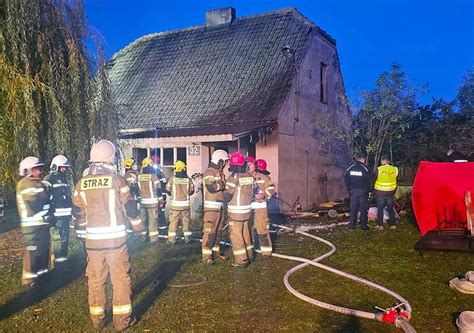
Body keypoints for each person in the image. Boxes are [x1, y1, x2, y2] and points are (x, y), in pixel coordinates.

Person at [72, 139, 144, 331]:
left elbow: (78, 213)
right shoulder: (117, 180)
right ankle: (122, 321)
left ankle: (97, 320)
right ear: (111, 158)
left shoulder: (81, 184)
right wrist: (138, 228)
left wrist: (83, 235)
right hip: (116, 242)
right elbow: (130, 206)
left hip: (93, 243)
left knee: (95, 279)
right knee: (120, 279)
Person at [16, 156, 52, 286]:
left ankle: (42, 274)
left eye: (40, 168)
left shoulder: (37, 183)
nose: (39, 171)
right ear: (27, 170)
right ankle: (29, 278)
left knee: (43, 250)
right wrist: (46, 192)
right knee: (33, 252)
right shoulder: (25, 184)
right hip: (32, 226)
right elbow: (38, 199)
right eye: (36, 169)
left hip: (41, 223)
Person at [225, 152, 254, 267]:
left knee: (236, 235)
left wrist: (222, 197)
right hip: (247, 211)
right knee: (245, 232)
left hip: (235, 212)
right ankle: (250, 255)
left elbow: (228, 195)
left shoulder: (233, 178)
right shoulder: (249, 177)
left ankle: (241, 260)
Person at [44, 154, 72, 264]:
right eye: (62, 167)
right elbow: (45, 198)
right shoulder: (49, 179)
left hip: (64, 218)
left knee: (64, 241)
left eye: (65, 167)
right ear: (55, 166)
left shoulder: (63, 180)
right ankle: (56, 266)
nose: (64, 169)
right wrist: (48, 216)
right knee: (57, 242)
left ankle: (62, 264)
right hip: (55, 219)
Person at [201, 150, 229, 265]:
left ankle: (216, 253)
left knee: (218, 232)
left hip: (220, 208)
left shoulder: (218, 172)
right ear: (220, 161)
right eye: (224, 162)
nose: (225, 164)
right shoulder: (209, 172)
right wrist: (223, 185)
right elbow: (211, 187)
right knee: (209, 232)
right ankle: (206, 256)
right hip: (211, 208)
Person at [250, 158, 276, 256]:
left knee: (262, 229)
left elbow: (271, 190)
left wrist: (263, 196)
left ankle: (266, 251)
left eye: (250, 164)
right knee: (249, 229)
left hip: (260, 207)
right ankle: (251, 250)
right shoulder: (244, 177)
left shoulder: (263, 177)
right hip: (247, 208)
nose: (248, 166)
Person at [166, 161, 195, 244]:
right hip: (185, 205)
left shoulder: (172, 179)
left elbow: (167, 191)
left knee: (173, 222)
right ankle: (187, 239)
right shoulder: (188, 179)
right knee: (186, 222)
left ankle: (171, 240)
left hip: (175, 206)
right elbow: (192, 191)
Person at [344, 153, 372, 231]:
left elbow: (346, 179)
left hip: (353, 191)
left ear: (356, 159)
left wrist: (349, 189)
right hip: (363, 191)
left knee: (353, 208)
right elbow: (370, 181)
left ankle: (351, 226)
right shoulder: (366, 169)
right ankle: (364, 226)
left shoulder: (350, 168)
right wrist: (370, 190)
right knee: (363, 208)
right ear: (363, 159)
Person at [137, 157, 162, 242]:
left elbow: (137, 190)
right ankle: (153, 238)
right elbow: (158, 190)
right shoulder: (154, 177)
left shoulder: (138, 177)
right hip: (153, 203)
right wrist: (161, 201)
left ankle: (142, 238)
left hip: (143, 202)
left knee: (143, 220)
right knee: (153, 221)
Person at [374, 156, 398, 230]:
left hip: (380, 193)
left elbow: (374, 178)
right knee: (390, 208)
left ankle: (380, 225)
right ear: (389, 162)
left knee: (380, 209)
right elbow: (396, 178)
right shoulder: (395, 169)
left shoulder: (379, 169)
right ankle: (393, 224)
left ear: (381, 161)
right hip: (390, 193)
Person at [151, 155, 168, 234]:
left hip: (158, 194)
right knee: (161, 211)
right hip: (162, 194)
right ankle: (162, 227)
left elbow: (157, 185)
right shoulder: (160, 171)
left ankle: (159, 227)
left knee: (157, 211)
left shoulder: (156, 172)